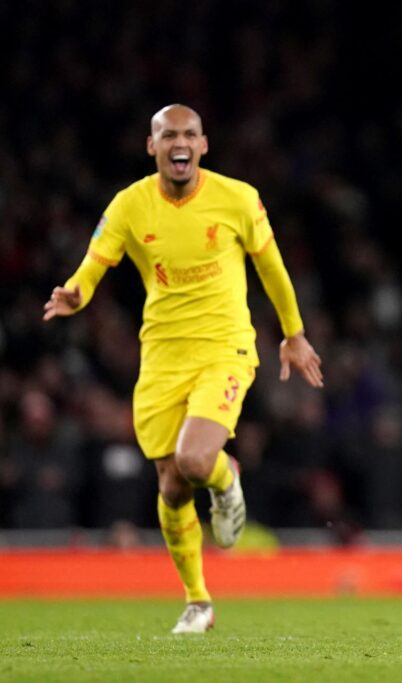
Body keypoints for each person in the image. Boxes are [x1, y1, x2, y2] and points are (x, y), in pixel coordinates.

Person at [43, 104, 323, 634]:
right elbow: (94, 264)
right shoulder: (130, 204)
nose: (180, 143)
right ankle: (198, 601)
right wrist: (75, 294)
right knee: (171, 487)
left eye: (189, 134)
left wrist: (293, 334)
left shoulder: (237, 198)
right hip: (161, 357)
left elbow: (272, 267)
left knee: (195, 460)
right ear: (152, 146)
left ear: (203, 144)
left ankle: (225, 473)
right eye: (168, 135)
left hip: (224, 348)